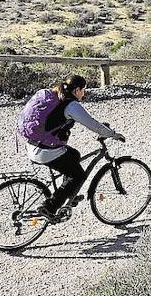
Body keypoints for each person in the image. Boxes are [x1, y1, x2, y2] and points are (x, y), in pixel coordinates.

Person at [22, 74, 125, 221]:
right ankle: (49, 206)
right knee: (78, 175)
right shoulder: (71, 105)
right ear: (77, 90)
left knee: (74, 155)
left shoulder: (55, 95)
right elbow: (92, 124)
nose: (84, 93)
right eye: (83, 89)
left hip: (33, 144)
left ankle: (70, 193)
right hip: (44, 151)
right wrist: (112, 134)